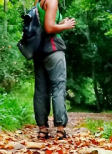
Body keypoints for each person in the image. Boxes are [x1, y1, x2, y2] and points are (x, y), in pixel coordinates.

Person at [33, 0, 75, 140]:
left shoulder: (39, 1)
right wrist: (66, 26)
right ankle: (60, 129)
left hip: (38, 50)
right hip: (53, 50)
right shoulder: (52, 0)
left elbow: (44, 24)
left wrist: (60, 23)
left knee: (41, 90)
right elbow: (49, 28)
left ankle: (42, 129)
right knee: (58, 88)